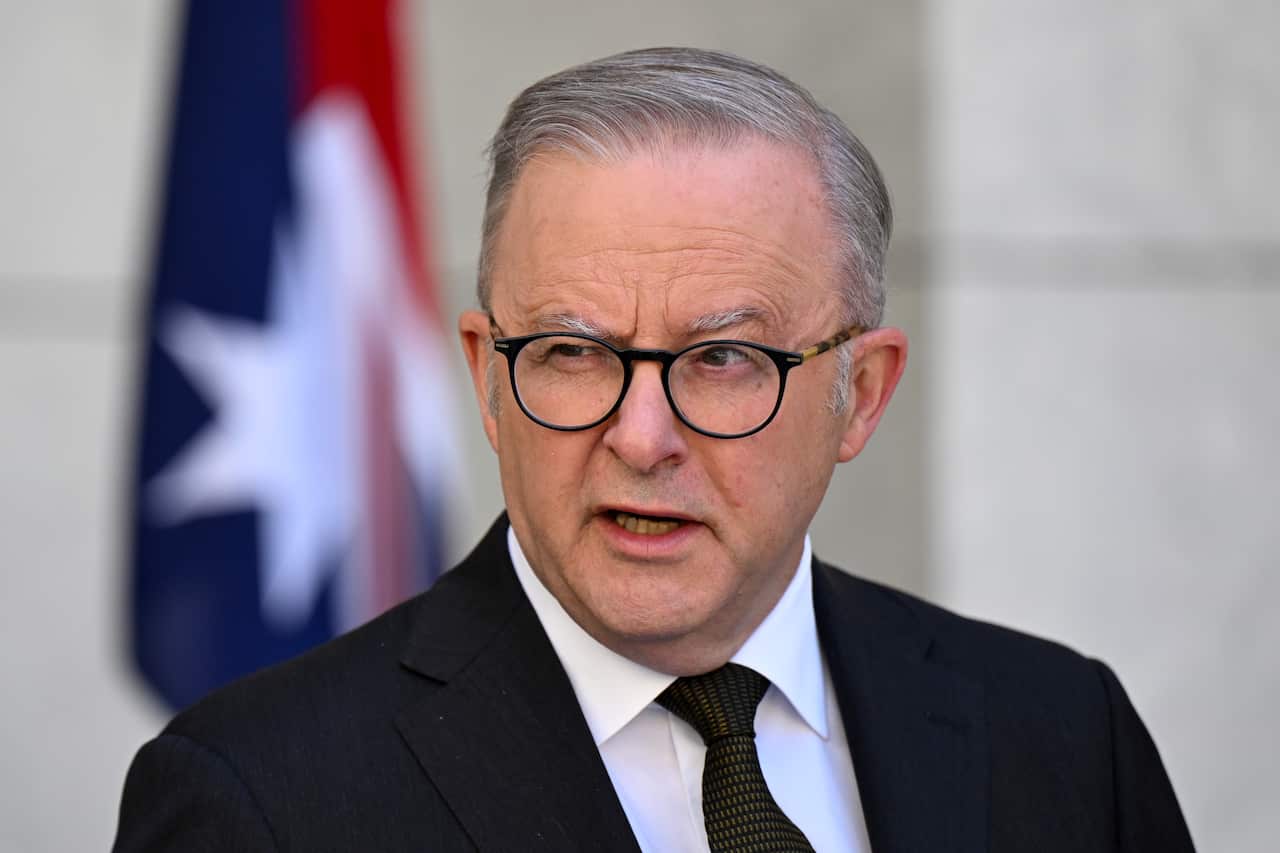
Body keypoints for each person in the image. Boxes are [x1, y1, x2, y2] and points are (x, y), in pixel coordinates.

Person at [114, 47, 1195, 852]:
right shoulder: (256, 796)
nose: (640, 438)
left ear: (858, 395)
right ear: (487, 376)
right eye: (573, 353)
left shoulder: (1063, 737)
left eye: (722, 358)